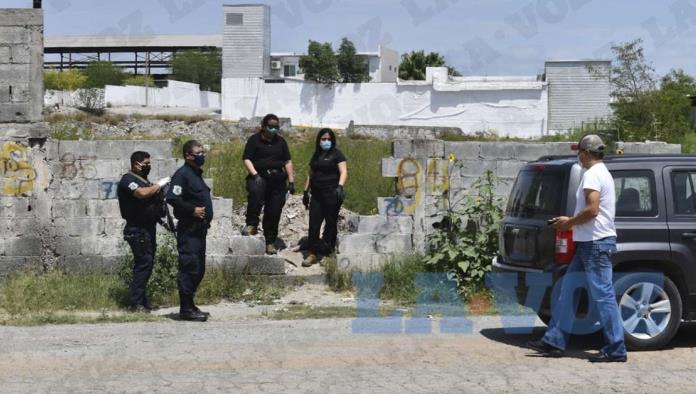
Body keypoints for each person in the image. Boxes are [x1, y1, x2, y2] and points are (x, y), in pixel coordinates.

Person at [527, 134, 627, 363]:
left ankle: (616, 348)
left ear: (585, 152)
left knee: (603, 296)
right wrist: (570, 221)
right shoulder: (602, 173)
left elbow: (592, 210)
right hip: (588, 244)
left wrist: (568, 223)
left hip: (595, 243)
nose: (578, 156)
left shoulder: (593, 174)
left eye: (579, 152)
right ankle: (554, 341)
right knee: (567, 290)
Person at [117, 151, 171, 313]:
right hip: (137, 229)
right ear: (136, 164)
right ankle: (136, 304)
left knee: (146, 265)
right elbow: (141, 194)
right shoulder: (128, 179)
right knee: (143, 265)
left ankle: (143, 301)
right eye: (146, 164)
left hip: (147, 228)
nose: (149, 166)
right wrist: (159, 185)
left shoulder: (144, 180)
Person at [166, 140, 213, 322]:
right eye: (198, 153)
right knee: (190, 268)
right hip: (189, 229)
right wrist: (192, 210)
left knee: (199, 269)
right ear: (188, 155)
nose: (202, 155)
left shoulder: (195, 174)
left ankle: (190, 304)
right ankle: (185, 309)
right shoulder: (182, 175)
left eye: (203, 152)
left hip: (200, 230)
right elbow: (172, 198)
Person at [241, 114, 295, 255]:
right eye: (270, 126)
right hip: (259, 176)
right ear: (263, 126)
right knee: (255, 196)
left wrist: (291, 181)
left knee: (274, 210)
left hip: (277, 179)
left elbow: (287, 161)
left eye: (276, 127)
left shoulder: (281, 142)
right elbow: (247, 159)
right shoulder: (254, 140)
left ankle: (270, 241)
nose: (273, 129)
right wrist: (255, 175)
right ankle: (252, 224)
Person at [301, 129, 347, 267]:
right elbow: (310, 174)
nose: (326, 142)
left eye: (328, 139)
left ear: (332, 140)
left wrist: (340, 186)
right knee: (314, 224)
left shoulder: (337, 154)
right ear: (319, 140)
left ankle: (329, 251)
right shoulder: (316, 155)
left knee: (331, 223)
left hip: (332, 193)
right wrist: (305, 192)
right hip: (316, 194)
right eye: (323, 139)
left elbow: (344, 171)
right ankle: (313, 253)